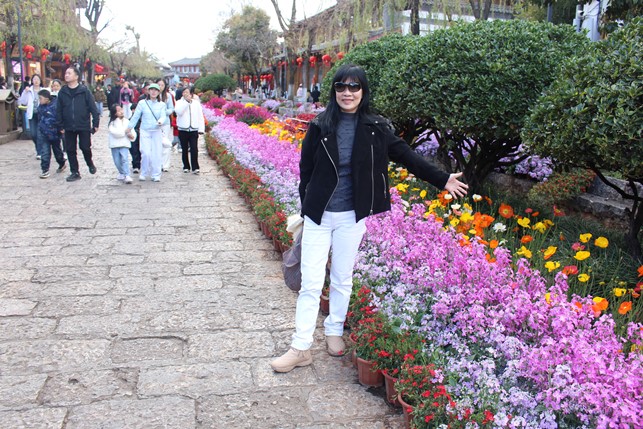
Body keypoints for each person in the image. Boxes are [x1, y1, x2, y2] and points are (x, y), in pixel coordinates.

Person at [270, 64, 469, 373]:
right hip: (319, 216)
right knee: (310, 282)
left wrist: (442, 179)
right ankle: (301, 347)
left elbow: (408, 157)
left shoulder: (376, 128)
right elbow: (305, 171)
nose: (347, 93)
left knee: (342, 277)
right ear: (334, 91)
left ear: (363, 91)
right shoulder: (320, 125)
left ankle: (334, 330)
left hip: (352, 216)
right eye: (341, 87)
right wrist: (308, 207)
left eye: (354, 87)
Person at [56, 66, 100, 182]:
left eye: (69, 73)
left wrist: (95, 123)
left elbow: (93, 108)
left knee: (85, 147)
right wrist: (60, 125)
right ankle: (74, 172)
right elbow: (59, 110)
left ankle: (90, 163)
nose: (66, 75)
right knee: (70, 149)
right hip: (68, 125)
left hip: (83, 124)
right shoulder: (63, 92)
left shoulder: (84, 91)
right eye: (66, 73)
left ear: (76, 76)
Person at [126, 83, 166, 182]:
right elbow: (136, 116)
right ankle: (144, 172)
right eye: (151, 90)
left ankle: (156, 174)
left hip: (156, 131)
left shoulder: (161, 104)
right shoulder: (142, 103)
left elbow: (163, 116)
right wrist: (129, 127)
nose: (153, 92)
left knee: (156, 153)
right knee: (145, 153)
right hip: (145, 130)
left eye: (156, 90)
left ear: (158, 92)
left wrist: (160, 121)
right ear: (148, 91)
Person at [35, 89, 66, 178]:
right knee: (45, 152)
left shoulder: (56, 105)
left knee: (57, 151)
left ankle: (61, 163)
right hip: (43, 133)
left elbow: (61, 118)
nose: (40, 100)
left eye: (41, 98)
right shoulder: (40, 107)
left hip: (55, 133)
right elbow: (39, 118)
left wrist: (61, 128)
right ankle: (45, 170)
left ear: (47, 98)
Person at [174, 86, 204, 174]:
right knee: (184, 149)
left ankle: (195, 167)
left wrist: (201, 128)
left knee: (194, 148)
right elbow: (179, 112)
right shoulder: (179, 102)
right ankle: (186, 166)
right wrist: (186, 102)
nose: (186, 94)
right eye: (184, 92)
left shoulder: (196, 103)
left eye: (187, 92)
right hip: (183, 129)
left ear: (191, 93)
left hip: (193, 128)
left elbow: (200, 116)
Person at [107, 104, 136, 184]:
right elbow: (114, 133)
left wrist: (132, 136)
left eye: (121, 110)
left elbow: (131, 130)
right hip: (115, 144)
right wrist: (125, 132)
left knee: (124, 159)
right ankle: (121, 172)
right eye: (118, 111)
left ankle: (127, 174)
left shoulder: (127, 121)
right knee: (117, 161)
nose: (121, 112)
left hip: (124, 143)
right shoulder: (112, 123)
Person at [18, 74, 43, 159]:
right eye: (34, 79)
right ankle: (39, 148)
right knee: (33, 134)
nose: (36, 81)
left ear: (40, 81)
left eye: (37, 79)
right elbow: (23, 101)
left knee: (39, 134)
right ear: (32, 81)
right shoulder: (29, 90)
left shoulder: (43, 90)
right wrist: (25, 92)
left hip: (41, 115)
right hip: (32, 114)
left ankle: (39, 152)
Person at [158, 78, 175, 172]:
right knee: (157, 144)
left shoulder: (168, 96)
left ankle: (165, 164)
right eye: (159, 84)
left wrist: (163, 112)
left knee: (165, 143)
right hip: (155, 123)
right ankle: (158, 163)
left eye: (162, 85)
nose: (160, 87)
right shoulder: (152, 96)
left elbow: (171, 109)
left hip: (165, 123)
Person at [128, 102, 142, 174]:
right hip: (134, 136)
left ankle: (138, 164)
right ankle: (136, 165)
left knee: (139, 151)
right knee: (134, 151)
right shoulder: (130, 119)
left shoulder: (142, 119)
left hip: (140, 136)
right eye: (133, 109)